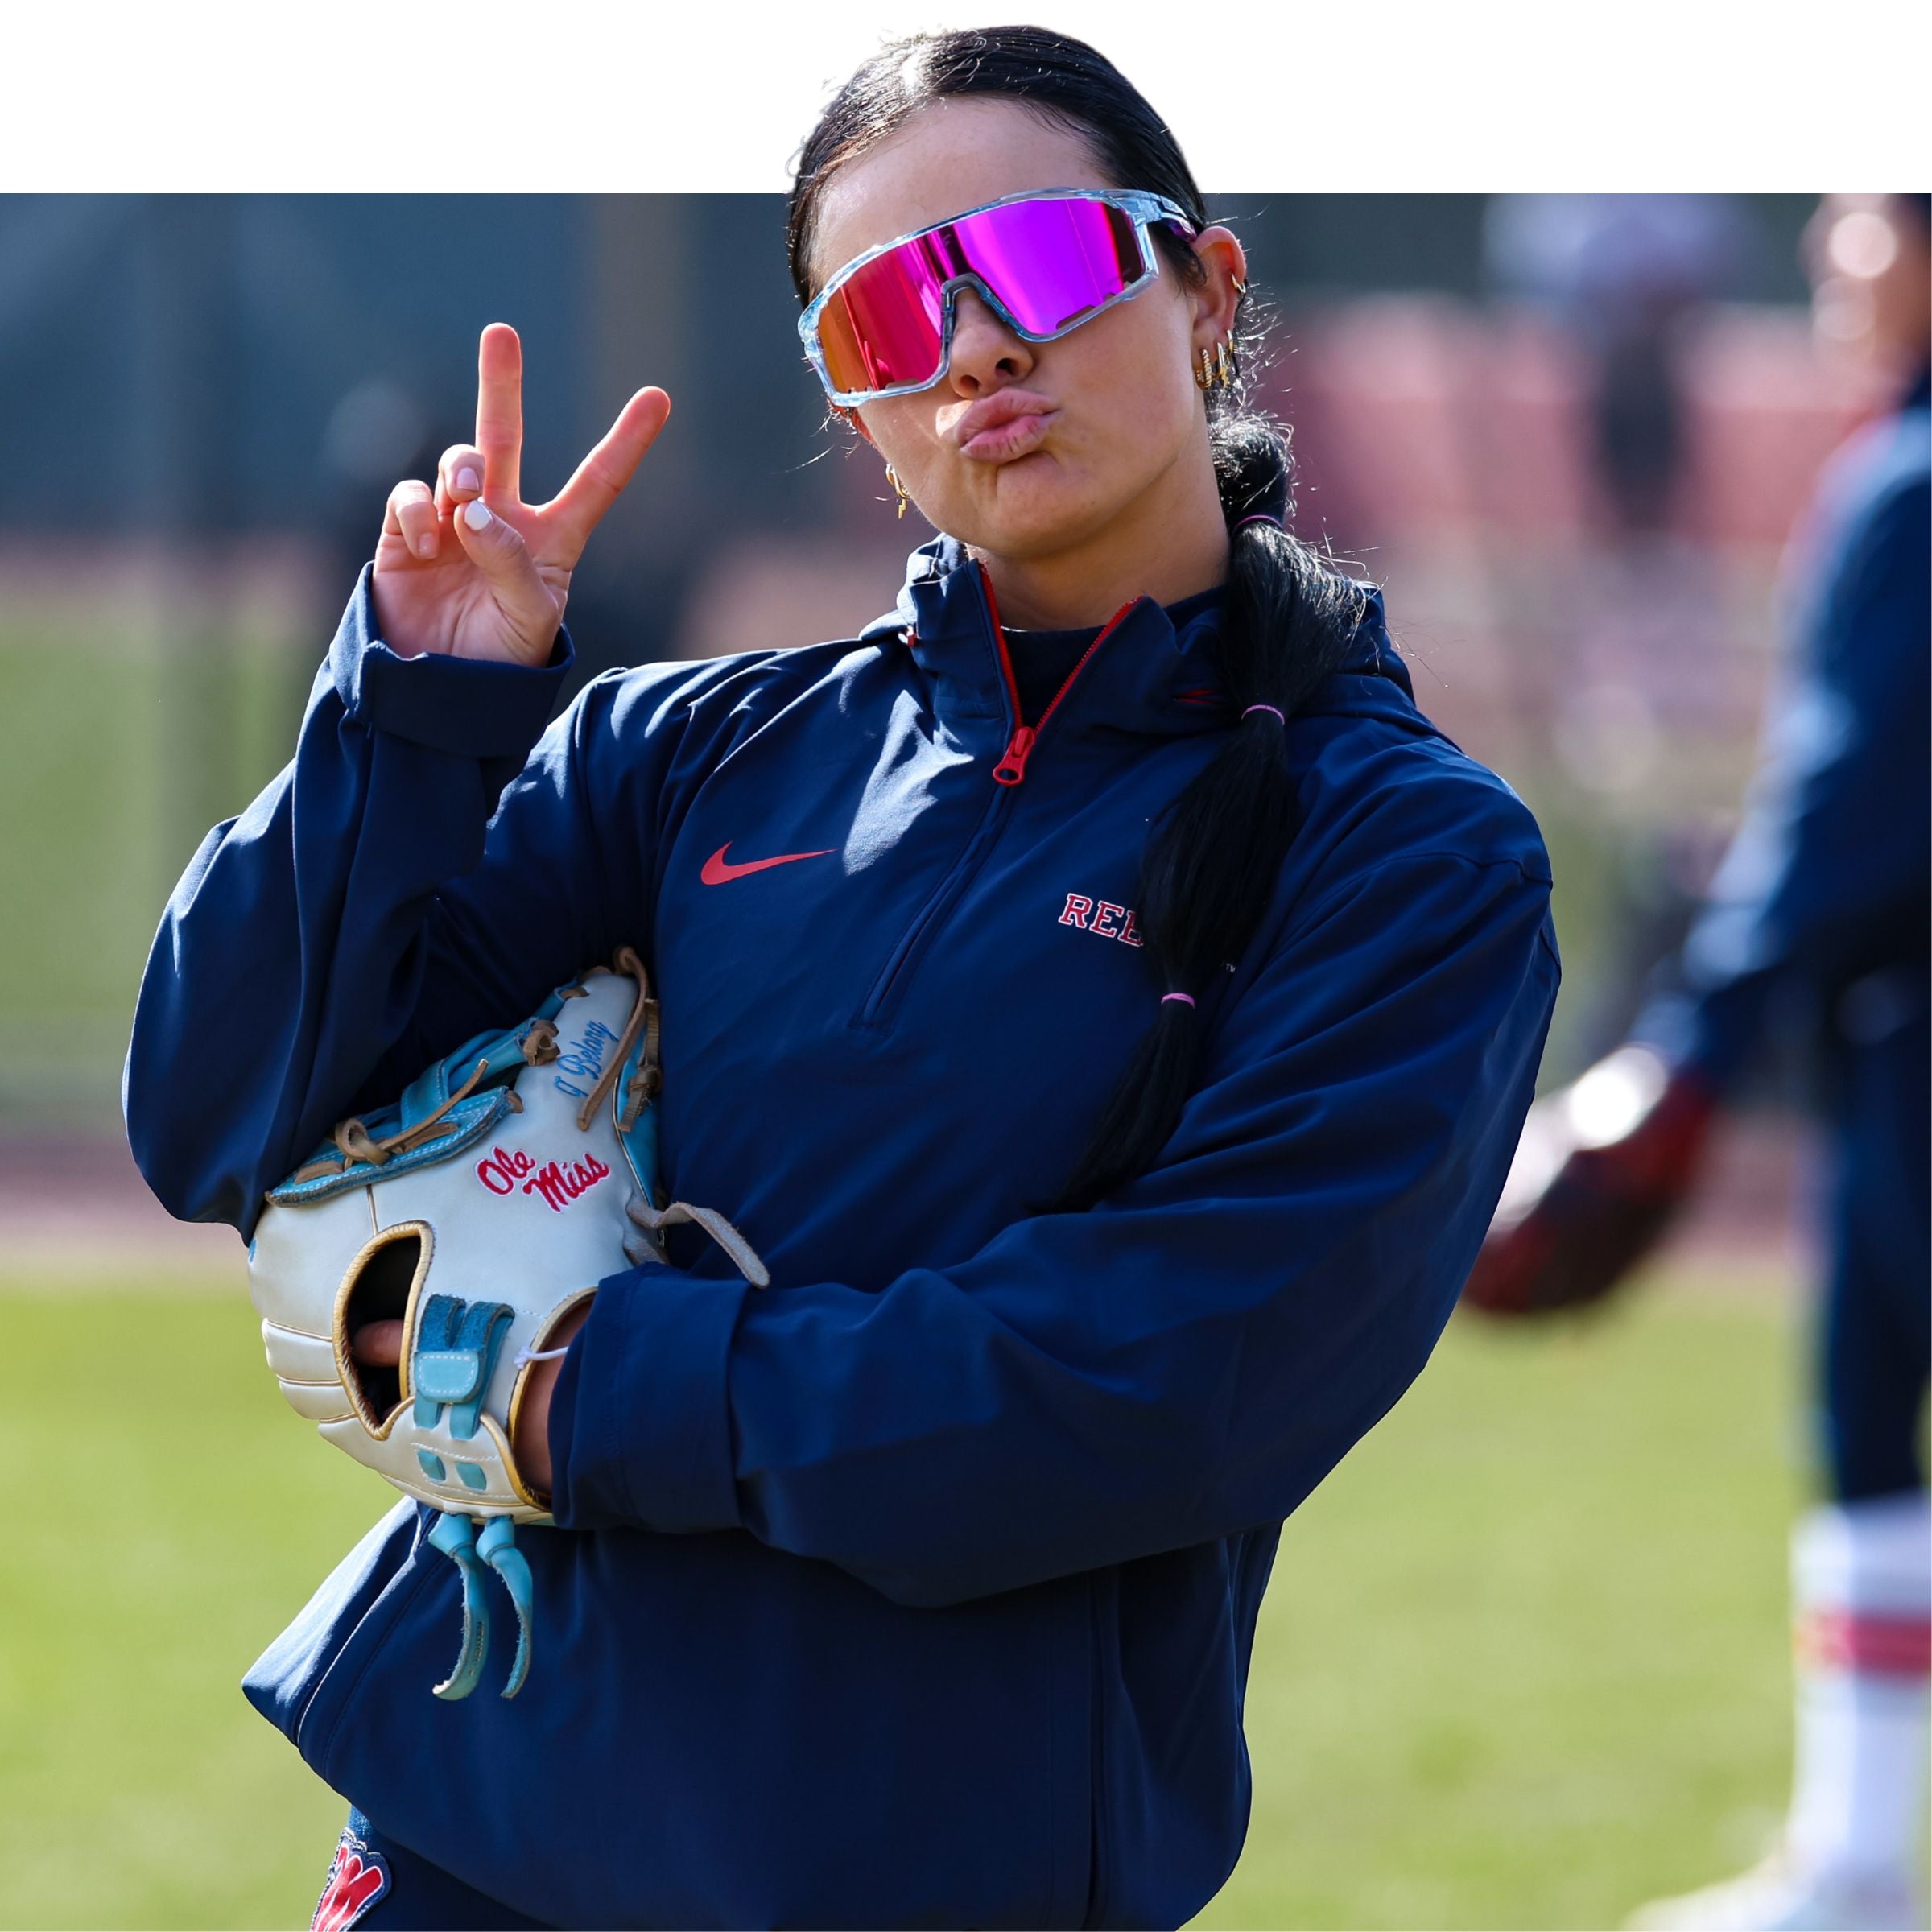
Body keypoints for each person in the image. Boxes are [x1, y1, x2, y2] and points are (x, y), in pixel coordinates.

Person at [125, 28, 1558, 1930]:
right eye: (887, 315)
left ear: (1207, 291)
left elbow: (1166, 1380)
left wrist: (597, 1395)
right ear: (855, 411)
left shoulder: (1405, 854)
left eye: (1038, 261)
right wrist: (417, 706)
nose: (974, 347)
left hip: (923, 1870)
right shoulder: (677, 755)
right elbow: (219, 1113)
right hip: (468, 1837)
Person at [1468, 193, 1930, 1932]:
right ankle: (1858, 1861)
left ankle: (1859, 1866)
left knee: (1870, 1410)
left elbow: (1849, 808)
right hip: (1887, 1028)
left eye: (1867, 223)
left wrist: (1691, 1045)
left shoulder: (1911, 479)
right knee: (1863, 1415)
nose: (1829, 252)